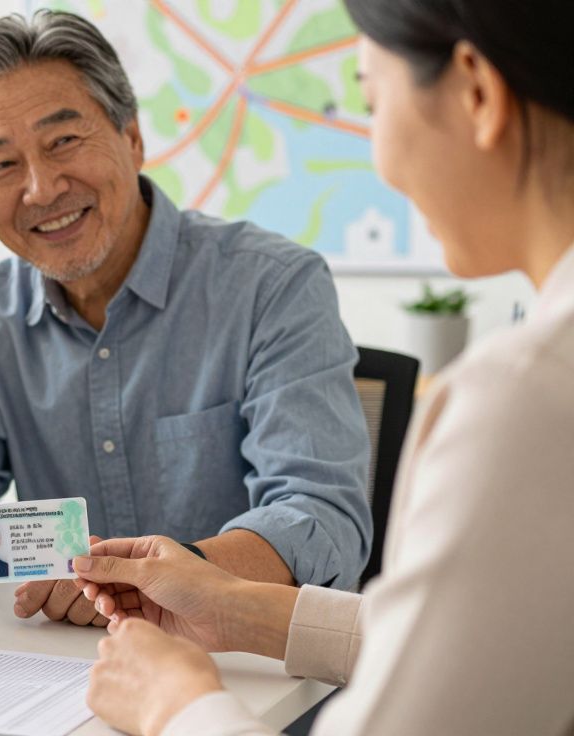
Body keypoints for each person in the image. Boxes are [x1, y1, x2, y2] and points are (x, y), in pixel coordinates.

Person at [77, 0, 574, 733]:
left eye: (373, 102)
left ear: (476, 92)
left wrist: (173, 703)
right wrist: (239, 609)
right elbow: (496, 638)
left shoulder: (525, 396)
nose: (379, 158)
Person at [0, 10, 372, 625]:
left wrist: (165, 581)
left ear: (132, 139)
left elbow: (320, 518)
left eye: (63, 141)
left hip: (240, 658)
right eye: (1, 165)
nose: (42, 189)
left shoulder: (272, 285)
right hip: (60, 659)